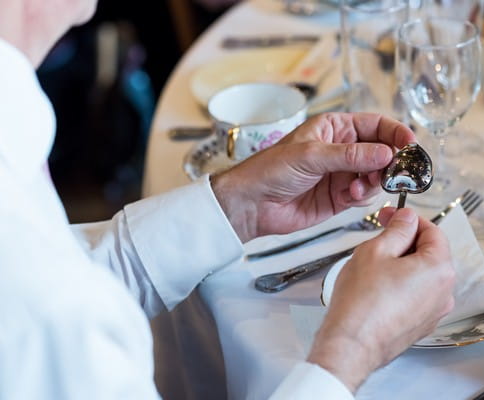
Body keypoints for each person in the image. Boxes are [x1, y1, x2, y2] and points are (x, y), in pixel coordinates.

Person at [0, 0, 455, 398]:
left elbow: (79, 275)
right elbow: (49, 306)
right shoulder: (36, 305)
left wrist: (237, 204)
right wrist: (353, 348)